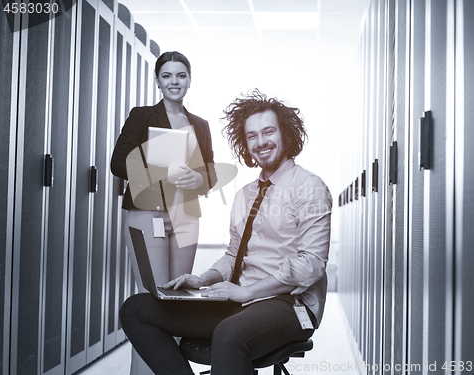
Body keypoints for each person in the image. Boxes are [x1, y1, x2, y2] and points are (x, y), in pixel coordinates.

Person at [119, 89, 332, 375]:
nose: (260, 142)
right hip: (240, 300)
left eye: (268, 132)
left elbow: (311, 266)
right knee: (136, 308)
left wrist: (246, 292)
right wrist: (202, 278)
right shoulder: (245, 194)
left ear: (286, 135)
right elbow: (234, 254)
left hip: (289, 304)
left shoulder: (309, 187)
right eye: (251, 136)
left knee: (229, 334)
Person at [111, 51, 217, 374]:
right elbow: (118, 163)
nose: (174, 82)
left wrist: (200, 178)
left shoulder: (200, 124)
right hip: (148, 214)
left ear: (189, 80)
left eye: (180, 75)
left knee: (176, 302)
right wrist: (159, 170)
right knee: (152, 302)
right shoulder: (142, 116)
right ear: (158, 81)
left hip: (185, 214)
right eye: (167, 75)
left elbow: (210, 172)